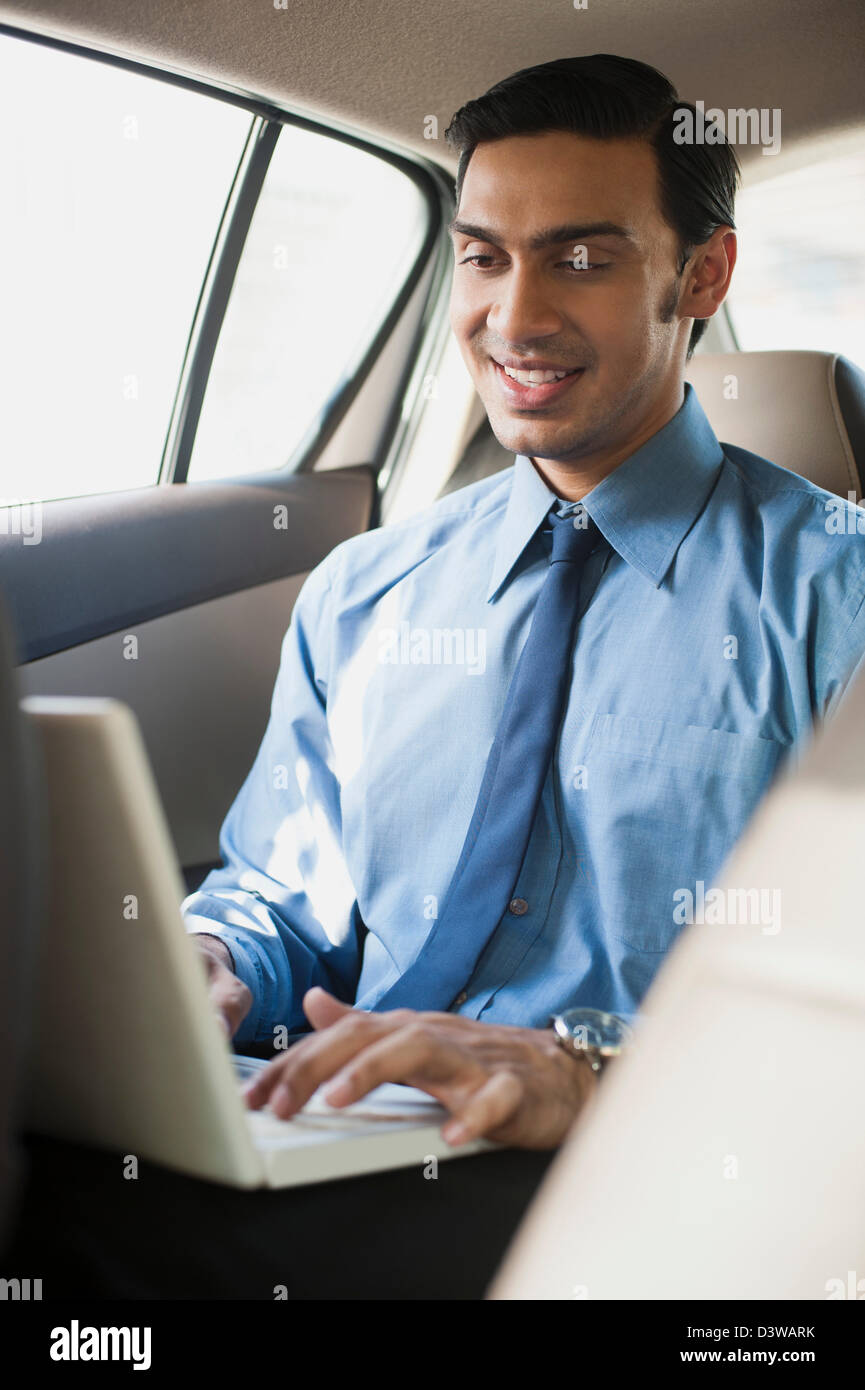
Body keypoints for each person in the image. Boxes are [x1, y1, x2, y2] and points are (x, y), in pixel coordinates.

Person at [183, 54, 865, 1150]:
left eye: (580, 259)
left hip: (660, 1171)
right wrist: (209, 965)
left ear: (700, 277)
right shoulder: (364, 594)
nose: (515, 315)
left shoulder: (839, 599)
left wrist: (590, 1074)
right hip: (355, 1133)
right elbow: (277, 895)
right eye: (484, 258)